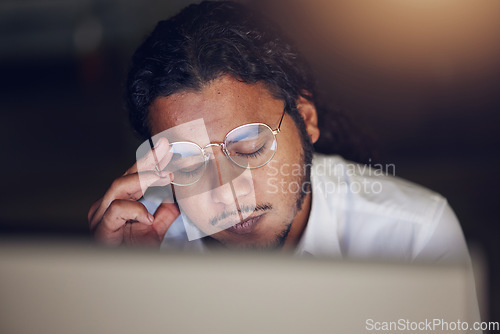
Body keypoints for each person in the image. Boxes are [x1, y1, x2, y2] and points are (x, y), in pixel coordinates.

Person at [88, 0, 469, 262]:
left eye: (250, 147)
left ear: (307, 118)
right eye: (188, 163)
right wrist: (125, 284)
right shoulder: (140, 239)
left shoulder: (413, 237)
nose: (227, 192)